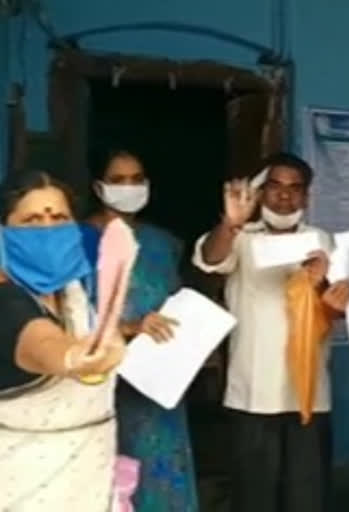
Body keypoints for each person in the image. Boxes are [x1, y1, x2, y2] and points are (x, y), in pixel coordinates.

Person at [192, 152, 334, 512]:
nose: (284, 197)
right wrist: (230, 223)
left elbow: (339, 310)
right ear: (261, 192)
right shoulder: (241, 237)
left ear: (306, 196)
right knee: (254, 496)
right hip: (252, 392)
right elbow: (208, 261)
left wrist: (321, 285)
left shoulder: (322, 242)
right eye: (275, 187)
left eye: (294, 189)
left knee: (305, 496)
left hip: (308, 393)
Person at [80, 149, 199, 511]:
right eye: (118, 180)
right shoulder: (78, 243)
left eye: (137, 179)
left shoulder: (162, 244)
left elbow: (175, 302)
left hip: (160, 386)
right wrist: (131, 326)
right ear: (99, 187)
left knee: (162, 475)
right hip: (101, 384)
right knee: (110, 483)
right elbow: (68, 319)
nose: (129, 187)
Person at [0, 170, 125, 510]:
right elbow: (43, 345)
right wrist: (75, 357)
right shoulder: (7, 303)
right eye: (31, 220)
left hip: (89, 486)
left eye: (58, 218)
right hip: (26, 491)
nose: (48, 229)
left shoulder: (77, 295)